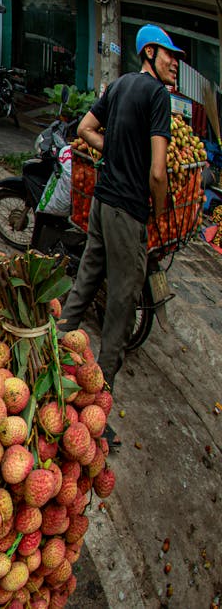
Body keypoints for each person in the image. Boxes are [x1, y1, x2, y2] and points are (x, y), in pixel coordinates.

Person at [60, 24, 181, 394]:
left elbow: (84, 128)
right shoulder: (158, 96)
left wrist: (111, 148)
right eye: (169, 55)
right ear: (149, 53)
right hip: (127, 209)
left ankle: (54, 343)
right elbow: (158, 173)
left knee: (87, 277)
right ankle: (103, 388)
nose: (174, 63)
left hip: (101, 202)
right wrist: (159, 212)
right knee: (122, 302)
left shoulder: (121, 85)